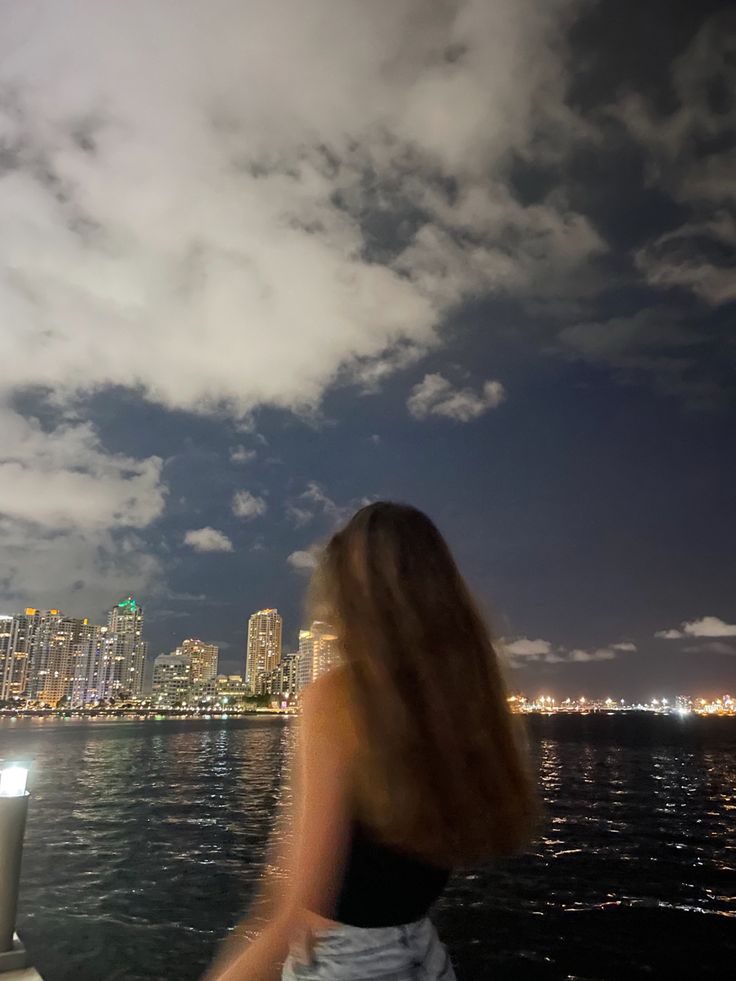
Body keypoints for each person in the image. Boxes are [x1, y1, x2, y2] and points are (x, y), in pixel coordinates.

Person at [205, 501, 539, 981]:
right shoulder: (459, 703)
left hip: (344, 967)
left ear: (351, 594)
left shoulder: (339, 699)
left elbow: (300, 900)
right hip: (427, 958)